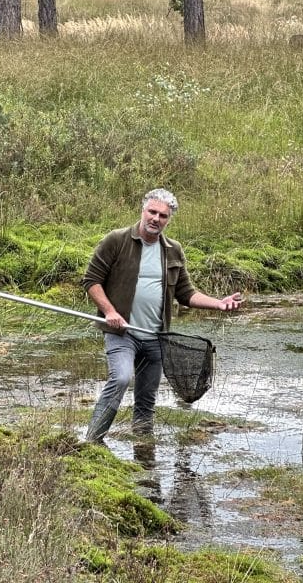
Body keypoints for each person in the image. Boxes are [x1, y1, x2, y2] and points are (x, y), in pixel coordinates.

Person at [82, 188, 242, 443]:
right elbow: (92, 280)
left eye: (163, 215)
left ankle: (144, 452)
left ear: (169, 220)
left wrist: (218, 304)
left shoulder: (173, 250)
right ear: (142, 211)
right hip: (121, 332)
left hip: (156, 337)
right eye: (152, 212)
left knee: (147, 398)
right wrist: (110, 312)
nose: (156, 219)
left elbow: (186, 293)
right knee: (121, 377)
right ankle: (93, 440)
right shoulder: (117, 240)